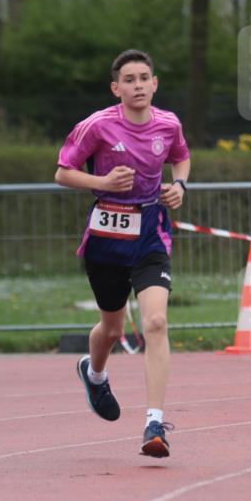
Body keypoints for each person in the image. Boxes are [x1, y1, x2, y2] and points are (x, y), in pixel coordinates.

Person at [55, 49, 190, 457]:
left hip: (151, 232)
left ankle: (154, 423)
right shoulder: (97, 125)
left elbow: (181, 158)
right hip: (107, 236)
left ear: (155, 83)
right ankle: (94, 372)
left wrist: (179, 186)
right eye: (129, 80)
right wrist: (103, 182)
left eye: (144, 78)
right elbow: (62, 172)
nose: (138, 85)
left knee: (156, 322)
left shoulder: (168, 124)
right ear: (116, 88)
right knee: (111, 330)